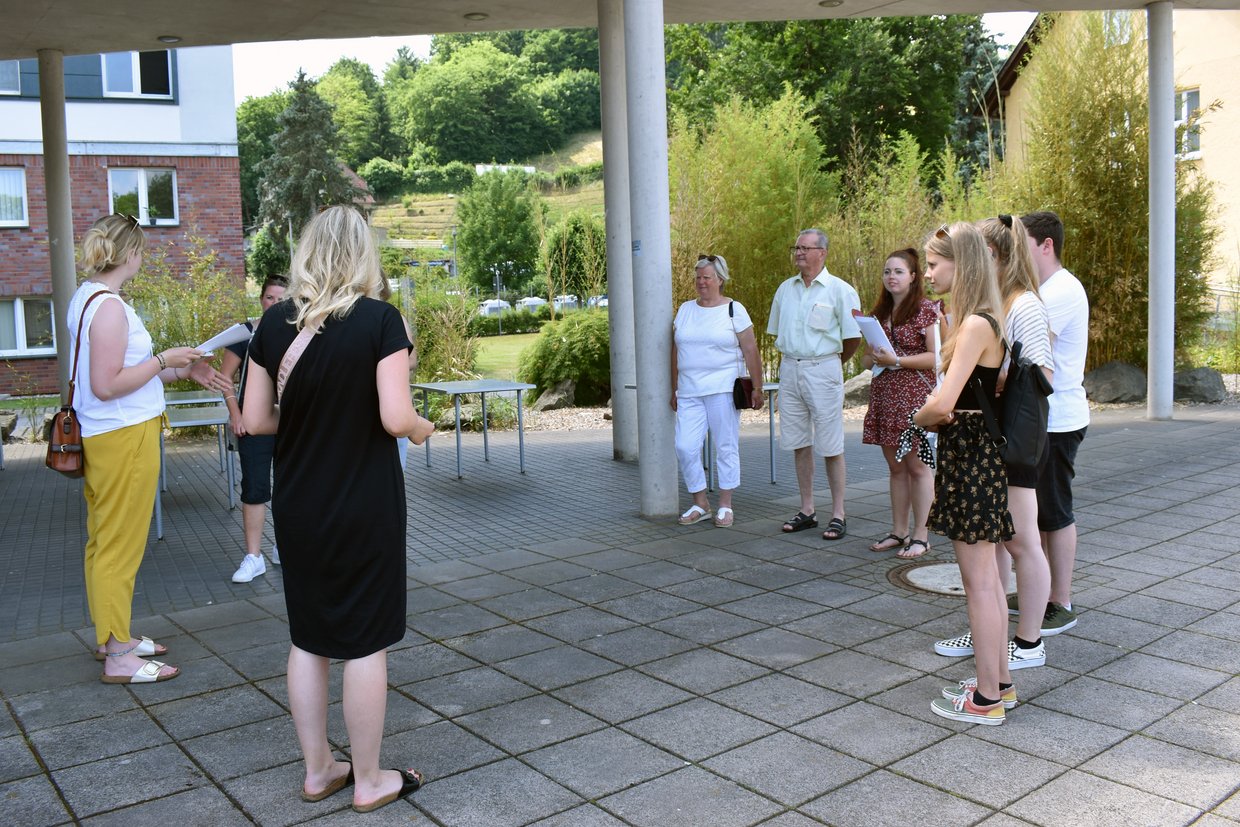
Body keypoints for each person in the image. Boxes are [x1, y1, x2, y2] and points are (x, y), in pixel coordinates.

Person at [242, 206, 434, 812]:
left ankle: (320, 769)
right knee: (366, 642)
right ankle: (372, 778)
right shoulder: (381, 320)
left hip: (298, 503)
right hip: (364, 503)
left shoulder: (273, 326)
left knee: (309, 638)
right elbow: (395, 417)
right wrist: (424, 427)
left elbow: (253, 421)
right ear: (362, 255)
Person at [70, 213, 231, 684]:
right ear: (132, 253)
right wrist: (164, 359)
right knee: (121, 544)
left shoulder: (89, 298)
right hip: (123, 436)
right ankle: (120, 655)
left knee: (104, 541)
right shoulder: (112, 307)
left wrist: (182, 370)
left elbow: (121, 375)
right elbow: (107, 384)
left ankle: (111, 635)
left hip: (108, 434)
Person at [933, 216, 1055, 670]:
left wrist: (999, 375)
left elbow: (1043, 374)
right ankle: (993, 636)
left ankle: (1027, 642)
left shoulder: (1022, 305)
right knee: (997, 547)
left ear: (993, 256)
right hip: (994, 436)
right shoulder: (996, 305)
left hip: (1016, 437)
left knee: (1022, 541)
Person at [912, 222, 1014, 725]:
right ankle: (1000, 684)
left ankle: (987, 700)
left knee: (979, 583)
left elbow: (941, 404)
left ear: (962, 263)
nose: (927, 274)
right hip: (981, 459)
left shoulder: (974, 324)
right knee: (990, 579)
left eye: (933, 264)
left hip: (969, 460)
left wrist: (920, 416)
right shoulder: (987, 320)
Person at [767, 229, 861, 540]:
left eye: (805, 248)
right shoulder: (785, 289)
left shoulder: (840, 290)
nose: (798, 253)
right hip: (790, 368)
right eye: (796, 247)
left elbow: (852, 338)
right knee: (798, 442)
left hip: (823, 367)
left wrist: (830, 363)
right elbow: (776, 331)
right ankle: (807, 509)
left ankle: (838, 513)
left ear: (822, 252)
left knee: (831, 444)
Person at [1022, 210, 1089, 634]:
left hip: (1059, 418)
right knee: (1040, 510)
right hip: (1044, 418)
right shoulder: (1044, 288)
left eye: (1021, 245)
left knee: (1055, 511)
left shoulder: (1061, 290)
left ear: (1046, 245)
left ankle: (1060, 601)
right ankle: (1042, 588)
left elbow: (1029, 350)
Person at [671, 254, 765, 527]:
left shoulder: (735, 309)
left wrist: (757, 387)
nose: (701, 282)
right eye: (698, 277)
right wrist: (673, 387)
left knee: (725, 445)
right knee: (685, 446)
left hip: (723, 389)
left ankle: (725, 504)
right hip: (689, 390)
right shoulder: (686, 309)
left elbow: (751, 350)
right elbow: (675, 350)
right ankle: (700, 502)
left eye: (707, 277)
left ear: (720, 280)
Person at [859, 248, 938, 558]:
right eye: (887, 272)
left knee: (918, 468)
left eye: (898, 271)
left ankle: (922, 535)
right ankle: (899, 530)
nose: (891, 277)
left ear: (913, 277)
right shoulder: (878, 313)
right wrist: (875, 359)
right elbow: (867, 358)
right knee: (895, 468)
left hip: (913, 397)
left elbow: (935, 357)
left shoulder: (925, 309)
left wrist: (897, 360)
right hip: (885, 394)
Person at [221, 275, 287, 584]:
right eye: (270, 298)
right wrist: (236, 414)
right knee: (255, 487)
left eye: (282, 299)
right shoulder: (245, 333)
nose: (275, 304)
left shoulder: (298, 332)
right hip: (252, 421)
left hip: (288, 421)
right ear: (261, 299)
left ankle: (283, 548)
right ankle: (253, 556)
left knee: (291, 486)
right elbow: (225, 378)